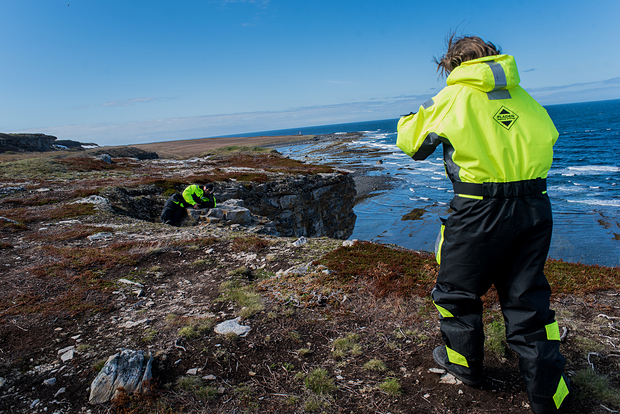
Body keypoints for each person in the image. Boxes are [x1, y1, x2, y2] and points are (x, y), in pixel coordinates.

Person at [396, 33, 569, 414]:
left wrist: (420, 111)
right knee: (528, 301)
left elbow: (410, 141)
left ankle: (466, 369)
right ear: (495, 57)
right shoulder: (527, 99)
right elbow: (550, 137)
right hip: (535, 206)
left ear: (452, 65)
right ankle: (548, 397)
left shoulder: (453, 96)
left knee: (456, 294)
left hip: (479, 208)